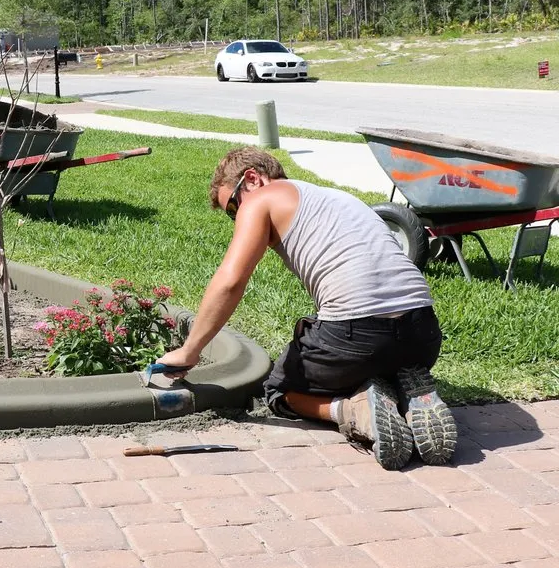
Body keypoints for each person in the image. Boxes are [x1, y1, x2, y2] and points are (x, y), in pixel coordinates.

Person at [154, 146, 457, 470]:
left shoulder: (260, 199)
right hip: (423, 336)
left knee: (279, 389)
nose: (237, 216)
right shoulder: (339, 199)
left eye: (232, 207)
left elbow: (230, 282)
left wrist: (190, 351)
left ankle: (355, 411)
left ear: (253, 179)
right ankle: (407, 393)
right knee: (368, 351)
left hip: (358, 338)